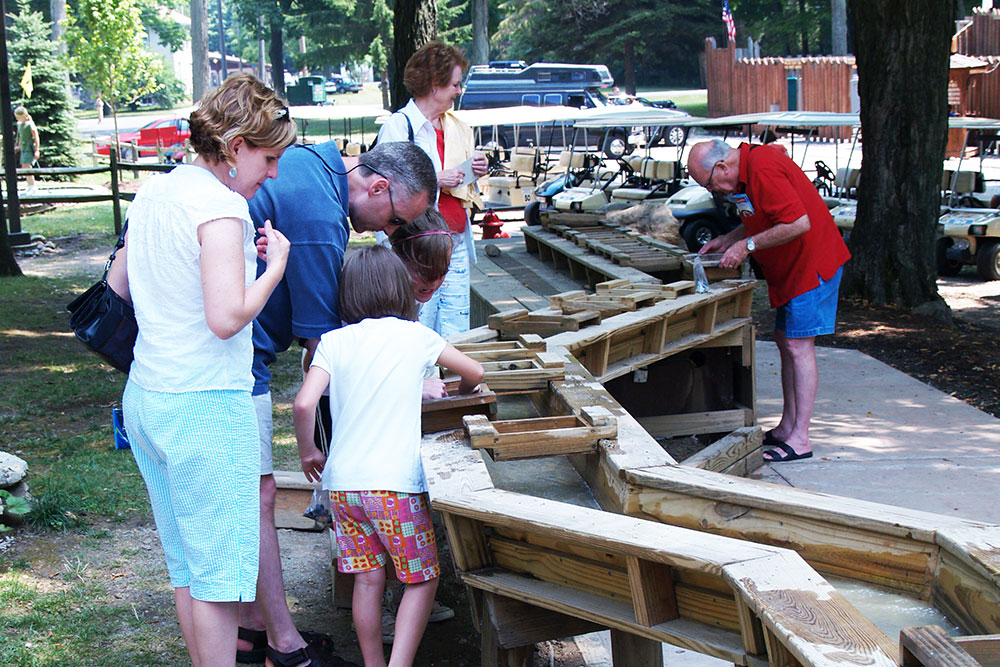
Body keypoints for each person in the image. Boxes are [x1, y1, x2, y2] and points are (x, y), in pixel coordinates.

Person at [120, 73, 296, 666]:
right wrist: (274, 270)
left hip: (149, 395)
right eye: (269, 158)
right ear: (236, 145)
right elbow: (226, 318)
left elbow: (120, 283)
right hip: (204, 406)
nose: (273, 173)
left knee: (188, 568)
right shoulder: (221, 208)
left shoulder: (154, 191)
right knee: (219, 579)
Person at [240, 139, 437, 667]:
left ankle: (250, 627)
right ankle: (283, 645)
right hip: (234, 357)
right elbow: (318, 343)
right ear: (378, 187)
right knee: (257, 493)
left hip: (234, 352)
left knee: (251, 495)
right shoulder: (322, 218)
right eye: (396, 220)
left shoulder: (312, 164)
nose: (388, 233)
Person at [292, 245, 484, 667]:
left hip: (344, 488)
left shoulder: (333, 342)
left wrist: (309, 452)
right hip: (395, 487)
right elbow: (475, 372)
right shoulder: (417, 336)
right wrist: (464, 394)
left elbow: (304, 403)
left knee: (367, 579)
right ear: (400, 288)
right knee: (422, 578)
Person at [687, 138, 850, 463]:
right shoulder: (745, 175)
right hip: (792, 269)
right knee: (785, 341)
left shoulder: (763, 169)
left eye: (709, 184)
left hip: (812, 265)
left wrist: (745, 246)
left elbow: (798, 222)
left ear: (721, 167)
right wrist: (729, 239)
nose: (712, 191)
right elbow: (762, 218)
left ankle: (800, 439)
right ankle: (787, 427)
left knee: (799, 346)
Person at [376, 40, 489, 338]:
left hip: (455, 243)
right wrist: (435, 179)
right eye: (455, 84)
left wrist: (473, 170)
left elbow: (459, 181)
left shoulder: (455, 127)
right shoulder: (399, 127)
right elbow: (384, 186)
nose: (459, 91)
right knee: (417, 327)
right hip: (416, 247)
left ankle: (452, 370)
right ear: (435, 84)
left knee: (456, 331)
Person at [14, 106, 40, 192]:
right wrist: (19, 146)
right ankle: (30, 185)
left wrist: (37, 150)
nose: (17, 119)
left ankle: (33, 186)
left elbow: (36, 137)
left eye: (18, 117)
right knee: (24, 166)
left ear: (23, 115)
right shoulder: (20, 124)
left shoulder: (30, 124)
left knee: (27, 166)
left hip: (29, 147)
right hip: (24, 148)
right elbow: (21, 137)